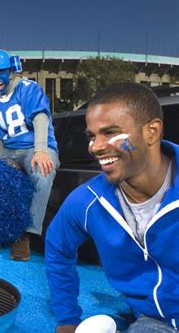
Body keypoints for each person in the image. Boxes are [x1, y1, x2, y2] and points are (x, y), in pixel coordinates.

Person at [45, 83, 179, 333]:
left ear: (152, 132)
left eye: (110, 133)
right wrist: (67, 318)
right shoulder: (88, 201)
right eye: (92, 136)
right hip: (155, 322)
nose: (95, 146)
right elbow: (57, 247)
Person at [0, 49, 59, 261]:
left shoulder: (26, 88)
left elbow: (40, 118)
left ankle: (25, 234)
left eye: (0, 71)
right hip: (9, 151)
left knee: (43, 170)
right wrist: (1, 159)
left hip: (36, 145)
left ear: (10, 70)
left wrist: (41, 150)